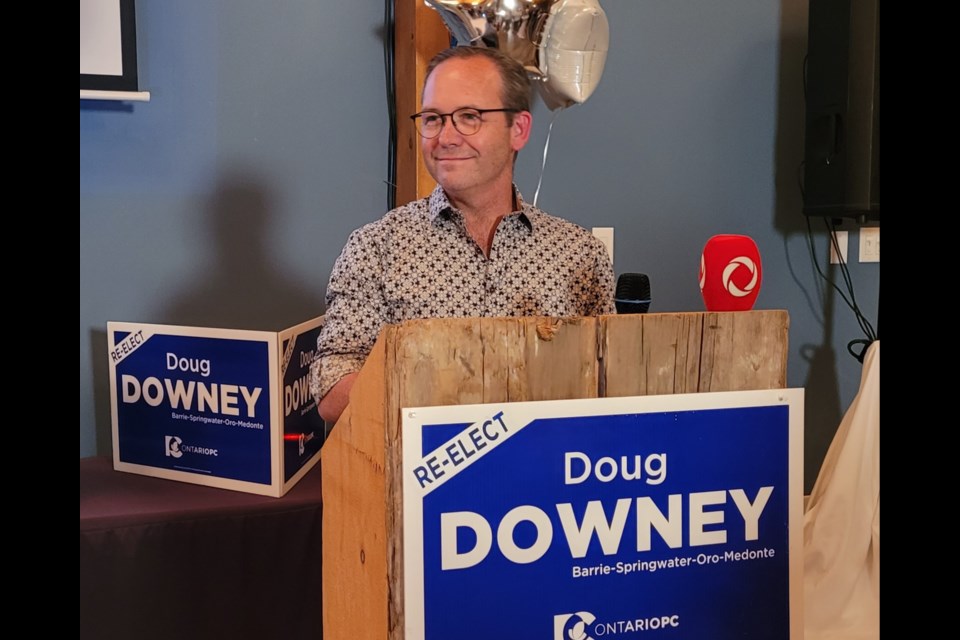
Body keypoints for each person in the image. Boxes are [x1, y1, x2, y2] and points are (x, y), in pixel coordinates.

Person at [311, 46, 614, 423]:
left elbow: (609, 387)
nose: (446, 137)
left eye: (469, 117)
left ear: (518, 129)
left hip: (548, 473)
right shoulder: (375, 247)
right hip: (419, 476)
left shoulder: (579, 254)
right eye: (434, 118)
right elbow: (332, 384)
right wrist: (442, 398)